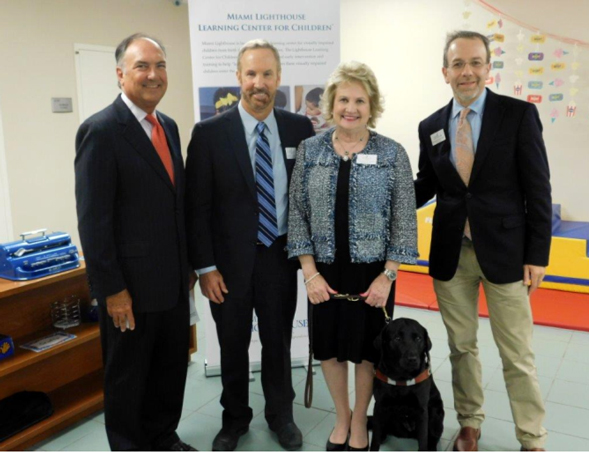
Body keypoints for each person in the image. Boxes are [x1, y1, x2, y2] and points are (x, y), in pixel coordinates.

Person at [414, 30, 551, 451]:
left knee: (517, 355)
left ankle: (532, 437)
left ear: (488, 69)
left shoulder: (518, 115)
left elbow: (538, 187)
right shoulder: (432, 126)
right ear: (445, 72)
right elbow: (427, 185)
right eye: (458, 64)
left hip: (507, 255)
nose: (467, 72)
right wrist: (380, 198)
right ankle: (469, 422)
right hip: (452, 256)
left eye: (475, 63)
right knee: (461, 348)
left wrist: (537, 254)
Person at [185, 39, 314, 451]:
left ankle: (282, 416)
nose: (260, 83)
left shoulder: (299, 128)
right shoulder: (208, 134)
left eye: (268, 74)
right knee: (233, 344)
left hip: (279, 256)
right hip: (227, 266)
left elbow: (310, 195)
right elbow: (197, 207)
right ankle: (234, 420)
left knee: (278, 342)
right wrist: (205, 268)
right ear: (239, 77)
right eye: (251, 74)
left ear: (278, 77)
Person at [288, 61, 418, 451]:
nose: (351, 107)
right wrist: (309, 273)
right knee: (329, 349)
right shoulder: (310, 150)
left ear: (371, 105)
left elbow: (404, 219)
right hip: (323, 272)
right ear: (331, 103)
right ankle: (341, 417)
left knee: (366, 352)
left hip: (373, 274)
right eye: (343, 98)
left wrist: (388, 276)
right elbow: (297, 212)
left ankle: (361, 420)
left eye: (360, 100)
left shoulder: (392, 153)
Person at [75, 33, 196, 451]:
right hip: (129, 289)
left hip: (172, 283)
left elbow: (173, 204)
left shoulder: (170, 127)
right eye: (142, 66)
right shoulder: (102, 131)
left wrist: (189, 267)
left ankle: (163, 436)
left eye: (160, 65)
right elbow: (94, 221)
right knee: (128, 377)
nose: (153, 74)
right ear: (120, 73)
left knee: (168, 370)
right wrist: (111, 290)